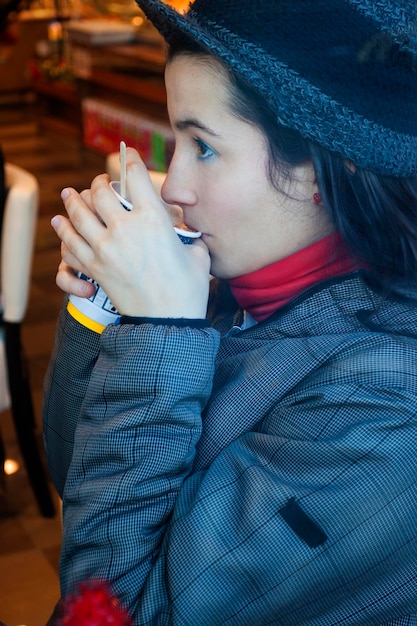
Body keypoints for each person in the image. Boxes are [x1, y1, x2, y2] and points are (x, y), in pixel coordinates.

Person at [43, 0, 417, 623]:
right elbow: (77, 476)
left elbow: (113, 610)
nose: (173, 188)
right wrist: (104, 311)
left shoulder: (383, 404)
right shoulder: (235, 290)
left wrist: (159, 332)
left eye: (204, 147)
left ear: (323, 166)